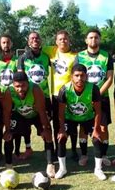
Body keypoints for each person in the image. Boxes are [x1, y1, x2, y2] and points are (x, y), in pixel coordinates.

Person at [2, 72, 56, 177]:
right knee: (8, 137)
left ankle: (50, 164)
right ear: (13, 84)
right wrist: (7, 129)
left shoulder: (35, 89)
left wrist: (45, 128)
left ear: (28, 83)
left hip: (36, 114)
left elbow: (41, 111)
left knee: (48, 134)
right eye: (17, 86)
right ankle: (8, 165)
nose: (20, 89)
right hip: (20, 115)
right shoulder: (9, 92)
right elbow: (7, 112)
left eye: (23, 85)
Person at [56, 64, 104, 180]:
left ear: (86, 76)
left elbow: (98, 111)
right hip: (70, 118)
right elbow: (61, 112)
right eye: (76, 76)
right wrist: (62, 130)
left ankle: (98, 169)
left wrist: (97, 129)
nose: (79, 79)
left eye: (82, 75)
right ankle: (62, 168)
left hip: (88, 117)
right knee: (61, 138)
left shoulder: (93, 88)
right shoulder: (64, 89)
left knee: (97, 138)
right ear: (71, 77)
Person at [75, 28, 113, 167]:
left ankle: (104, 155)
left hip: (102, 97)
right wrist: (87, 95)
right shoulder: (79, 56)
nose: (93, 40)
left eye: (96, 37)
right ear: (86, 40)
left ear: (100, 39)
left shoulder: (106, 56)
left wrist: (97, 94)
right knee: (84, 127)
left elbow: (109, 78)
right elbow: (75, 76)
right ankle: (84, 155)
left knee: (103, 127)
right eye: (90, 37)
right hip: (84, 98)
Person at [42, 30, 79, 162]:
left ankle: (74, 150)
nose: (63, 41)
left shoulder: (75, 56)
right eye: (60, 39)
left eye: (65, 39)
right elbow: (36, 46)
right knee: (57, 124)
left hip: (70, 94)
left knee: (72, 123)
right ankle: (58, 149)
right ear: (56, 42)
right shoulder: (51, 51)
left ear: (69, 40)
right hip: (56, 95)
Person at [17, 31, 51, 159]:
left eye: (37, 38)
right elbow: (20, 78)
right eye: (32, 38)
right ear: (28, 41)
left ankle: (49, 149)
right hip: (29, 97)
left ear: (40, 40)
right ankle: (28, 148)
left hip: (45, 96)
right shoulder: (23, 58)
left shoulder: (46, 57)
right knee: (26, 125)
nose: (35, 40)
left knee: (46, 124)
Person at [0, 34, 18, 160]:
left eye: (8, 42)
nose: (6, 45)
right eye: (3, 42)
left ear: (11, 44)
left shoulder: (17, 61)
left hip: (14, 99)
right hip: (0, 100)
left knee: (13, 125)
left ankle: (15, 150)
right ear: (0, 44)